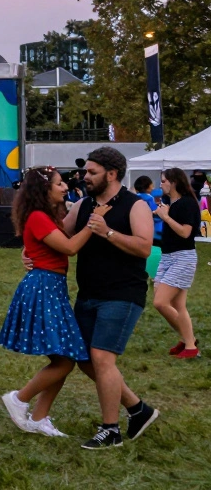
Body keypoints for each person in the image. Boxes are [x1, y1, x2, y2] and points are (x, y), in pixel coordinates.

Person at [56, 146, 159, 449]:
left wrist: (108, 232)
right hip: (88, 293)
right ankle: (138, 409)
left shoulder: (135, 205)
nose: (84, 176)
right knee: (85, 359)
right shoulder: (83, 205)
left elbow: (144, 247)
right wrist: (33, 251)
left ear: (111, 174)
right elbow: (61, 237)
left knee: (101, 357)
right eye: (85, 172)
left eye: (92, 172)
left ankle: (110, 430)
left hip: (123, 293)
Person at [0, 168, 94, 438]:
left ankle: (39, 417)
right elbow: (70, 248)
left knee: (64, 357)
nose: (65, 187)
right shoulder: (39, 217)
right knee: (64, 359)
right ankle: (19, 399)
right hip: (44, 288)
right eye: (59, 183)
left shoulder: (47, 215)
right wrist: (94, 223)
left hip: (52, 286)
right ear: (44, 190)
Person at [152, 168, 200, 358]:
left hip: (183, 257)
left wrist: (166, 217)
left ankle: (190, 343)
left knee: (160, 302)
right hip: (167, 256)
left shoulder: (187, 203)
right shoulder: (169, 202)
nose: (161, 184)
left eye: (164, 181)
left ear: (174, 182)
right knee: (177, 304)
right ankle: (188, 341)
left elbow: (185, 233)